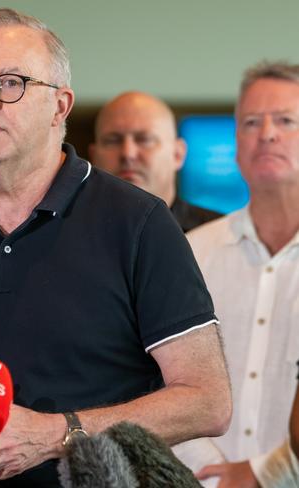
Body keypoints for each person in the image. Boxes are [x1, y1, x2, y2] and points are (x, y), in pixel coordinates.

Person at [0, 8, 231, 487]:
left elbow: (208, 400)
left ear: (60, 107)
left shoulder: (139, 220)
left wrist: (56, 434)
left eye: (10, 83)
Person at [187, 61, 299, 488]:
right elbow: (162, 382)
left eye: (286, 120)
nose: (267, 133)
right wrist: (217, 477)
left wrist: (265, 475)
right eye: (252, 121)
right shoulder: (193, 253)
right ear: (236, 144)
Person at [89, 91, 221, 232]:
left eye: (144, 139)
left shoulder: (218, 237)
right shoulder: (71, 234)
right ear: (93, 156)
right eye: (113, 140)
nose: (128, 153)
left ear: (177, 154)